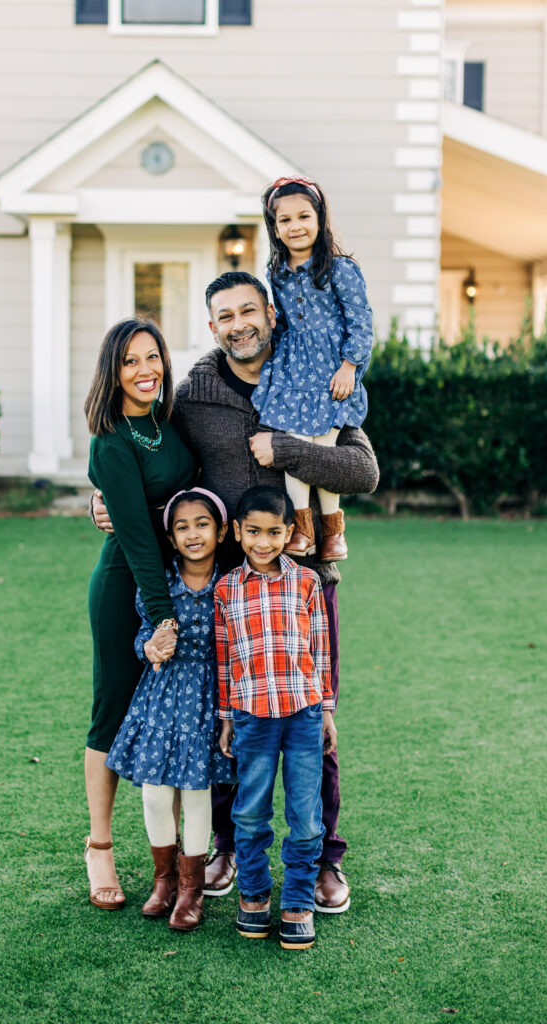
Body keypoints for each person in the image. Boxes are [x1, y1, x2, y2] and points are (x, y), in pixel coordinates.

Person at [92, 270, 379, 915]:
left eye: (249, 310)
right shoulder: (193, 394)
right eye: (224, 316)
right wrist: (109, 499)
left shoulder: (315, 373)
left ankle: (325, 858)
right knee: (220, 719)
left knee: (313, 718)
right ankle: (221, 845)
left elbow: (364, 469)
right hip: (227, 589)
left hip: (304, 580)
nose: (238, 324)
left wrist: (285, 449)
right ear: (212, 325)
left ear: (271, 314)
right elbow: (158, 462)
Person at [83, 318, 195, 911]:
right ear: (112, 371)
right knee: (112, 712)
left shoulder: (167, 421)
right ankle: (100, 847)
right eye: (130, 361)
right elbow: (136, 539)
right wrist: (162, 618)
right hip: (129, 581)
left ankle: (178, 859)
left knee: (174, 717)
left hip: (180, 581)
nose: (145, 370)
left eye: (153, 357)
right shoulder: (111, 440)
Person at [106, 488, 234, 931]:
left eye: (202, 524)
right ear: (171, 537)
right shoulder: (158, 584)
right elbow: (144, 634)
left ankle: (191, 889)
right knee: (156, 792)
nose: (193, 534)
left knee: (198, 793)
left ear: (220, 531)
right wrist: (150, 647)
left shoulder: (233, 585)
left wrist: (232, 712)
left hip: (210, 700)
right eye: (182, 527)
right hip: (162, 697)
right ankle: (163, 881)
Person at [216, 485, 336, 950]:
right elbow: (225, 660)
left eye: (273, 532)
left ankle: (299, 901)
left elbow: (320, 650)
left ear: (289, 532)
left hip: (304, 714)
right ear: (238, 533)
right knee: (250, 812)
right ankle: (253, 897)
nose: (263, 542)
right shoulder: (226, 589)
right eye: (253, 532)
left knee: (305, 816)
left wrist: (327, 710)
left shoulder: (307, 583)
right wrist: (227, 717)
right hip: (252, 717)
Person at [252, 175, 374, 562]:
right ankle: (302, 529)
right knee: (293, 445)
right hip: (294, 373)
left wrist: (350, 366)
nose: (295, 226)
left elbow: (361, 321)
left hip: (331, 373)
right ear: (275, 228)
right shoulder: (277, 273)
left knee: (320, 447)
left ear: (320, 220)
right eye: (284, 220)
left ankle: (334, 532)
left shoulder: (339, 269)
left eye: (304, 216)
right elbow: (286, 323)